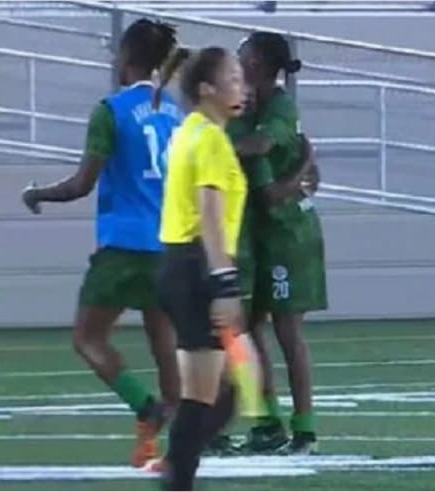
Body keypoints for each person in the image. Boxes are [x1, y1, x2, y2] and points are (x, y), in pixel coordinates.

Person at [18, 18, 184, 468]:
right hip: (170, 241)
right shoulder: (175, 111)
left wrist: (37, 193)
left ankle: (145, 408)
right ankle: (176, 445)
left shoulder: (110, 110)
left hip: (124, 243)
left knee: (88, 338)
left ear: (126, 58)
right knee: (164, 339)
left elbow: (81, 184)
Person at [153, 45, 263, 490]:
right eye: (233, 79)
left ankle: (177, 465)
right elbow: (211, 217)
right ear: (206, 89)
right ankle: (177, 474)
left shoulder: (190, 130)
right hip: (200, 267)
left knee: (231, 387)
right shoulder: (211, 139)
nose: (244, 87)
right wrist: (223, 284)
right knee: (210, 396)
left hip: (180, 266)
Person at [225, 31, 325, 456]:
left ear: (260, 64)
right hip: (258, 232)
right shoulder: (245, 105)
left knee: (287, 332)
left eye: (242, 55)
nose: (236, 61)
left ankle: (305, 429)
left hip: (288, 236)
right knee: (246, 328)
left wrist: (210, 145)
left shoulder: (281, 106)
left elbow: (262, 147)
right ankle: (267, 422)